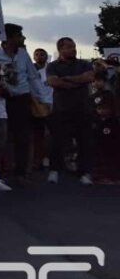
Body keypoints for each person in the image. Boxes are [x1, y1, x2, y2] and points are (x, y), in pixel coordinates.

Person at [0, 23, 46, 183]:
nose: (23, 38)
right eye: (19, 35)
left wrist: (43, 98)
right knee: (2, 135)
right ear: (9, 38)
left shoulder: (23, 54)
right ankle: (2, 170)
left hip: (22, 98)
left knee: (23, 136)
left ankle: (21, 172)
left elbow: (32, 76)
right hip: (2, 98)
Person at [45, 37, 95, 185]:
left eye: (74, 46)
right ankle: (55, 170)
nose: (73, 49)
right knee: (57, 141)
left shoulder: (84, 64)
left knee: (84, 141)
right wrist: (77, 81)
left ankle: (85, 172)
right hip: (61, 108)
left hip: (83, 108)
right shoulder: (53, 66)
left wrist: (66, 79)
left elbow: (89, 77)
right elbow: (54, 82)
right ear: (61, 49)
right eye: (69, 47)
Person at [90, 89, 120, 184]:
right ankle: (100, 176)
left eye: (104, 108)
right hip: (99, 147)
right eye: (99, 109)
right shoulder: (96, 121)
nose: (102, 111)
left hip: (112, 147)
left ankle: (113, 176)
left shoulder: (114, 122)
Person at [31, 47, 53, 172]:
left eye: (42, 54)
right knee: (36, 135)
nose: (40, 56)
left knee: (50, 134)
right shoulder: (30, 70)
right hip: (34, 105)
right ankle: (36, 160)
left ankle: (48, 158)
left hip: (49, 105)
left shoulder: (50, 70)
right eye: (37, 54)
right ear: (34, 57)